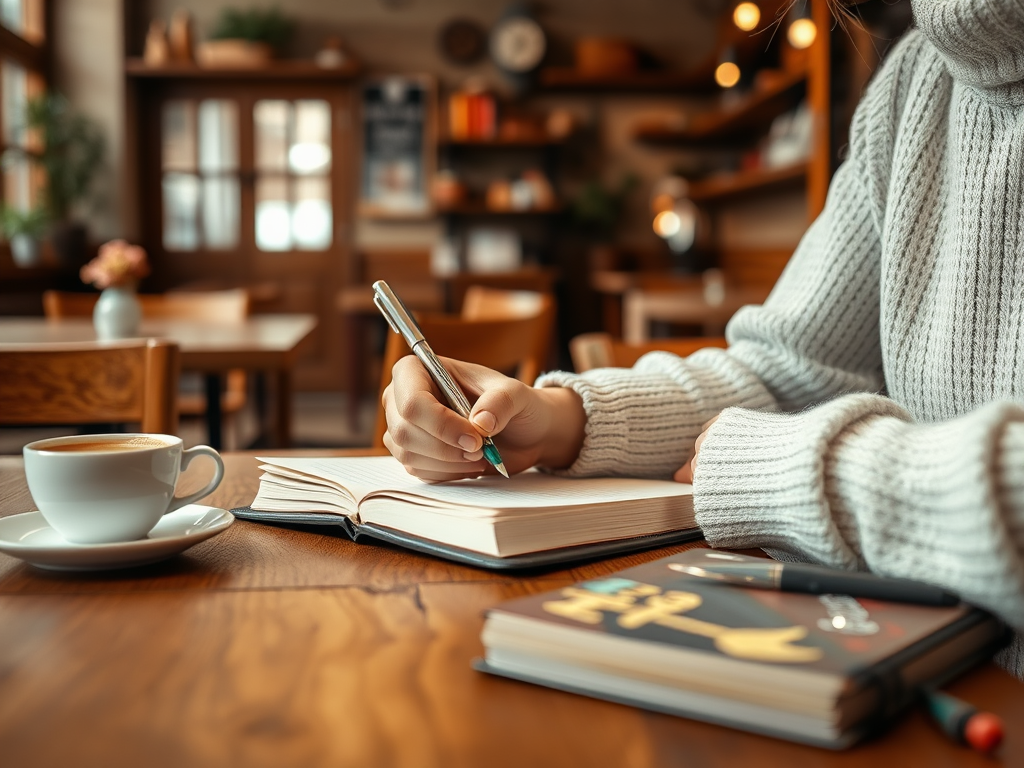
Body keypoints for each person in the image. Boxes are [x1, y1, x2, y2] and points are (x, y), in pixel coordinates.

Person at [381, 0, 1024, 679]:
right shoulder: (917, 81)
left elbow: (774, 434)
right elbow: (789, 371)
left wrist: (794, 475)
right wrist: (562, 421)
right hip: (922, 668)